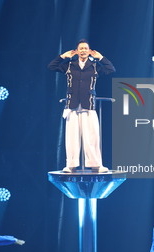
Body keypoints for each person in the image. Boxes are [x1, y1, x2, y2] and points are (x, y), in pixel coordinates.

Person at [48, 39, 116, 173]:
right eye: (81, 48)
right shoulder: (69, 65)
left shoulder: (95, 65)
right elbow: (51, 66)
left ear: (89, 51)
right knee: (71, 137)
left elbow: (111, 69)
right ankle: (71, 165)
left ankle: (96, 164)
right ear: (77, 51)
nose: (83, 51)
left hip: (88, 105)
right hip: (72, 105)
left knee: (92, 137)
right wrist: (63, 56)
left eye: (85, 48)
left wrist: (101, 57)